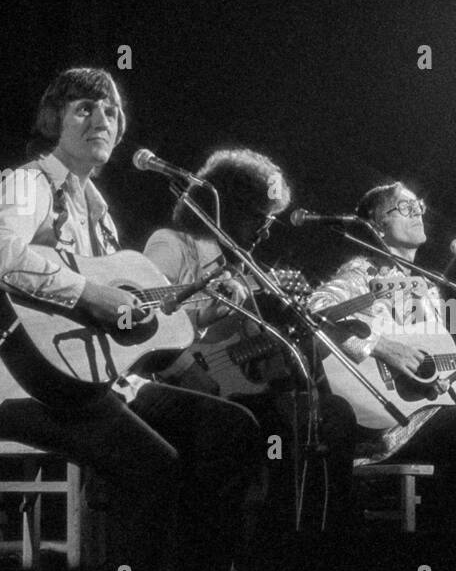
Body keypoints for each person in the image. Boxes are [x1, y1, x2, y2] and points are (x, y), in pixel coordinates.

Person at [0, 68, 263, 571]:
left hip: (96, 379)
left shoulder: (96, 206)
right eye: (84, 106)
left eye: (113, 109)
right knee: (154, 466)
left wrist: (176, 308)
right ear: (52, 118)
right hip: (23, 386)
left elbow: (128, 314)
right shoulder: (28, 183)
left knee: (231, 428)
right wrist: (85, 296)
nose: (102, 116)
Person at [143, 147, 359, 535]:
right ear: (224, 208)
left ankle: (305, 544)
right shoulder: (173, 244)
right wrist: (198, 336)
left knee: (329, 414)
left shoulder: (245, 268)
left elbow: (254, 359)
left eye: (271, 219)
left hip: (236, 394)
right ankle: (267, 550)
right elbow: (148, 321)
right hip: (177, 386)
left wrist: (289, 351)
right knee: (289, 425)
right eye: (259, 216)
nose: (266, 229)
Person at [307, 181, 456, 532]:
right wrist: (381, 347)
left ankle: (447, 530)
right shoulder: (362, 273)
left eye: (418, 205)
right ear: (377, 226)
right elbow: (317, 311)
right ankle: (454, 533)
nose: (418, 212)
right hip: (383, 424)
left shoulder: (429, 290)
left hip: (423, 413)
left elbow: (440, 373)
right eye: (404, 208)